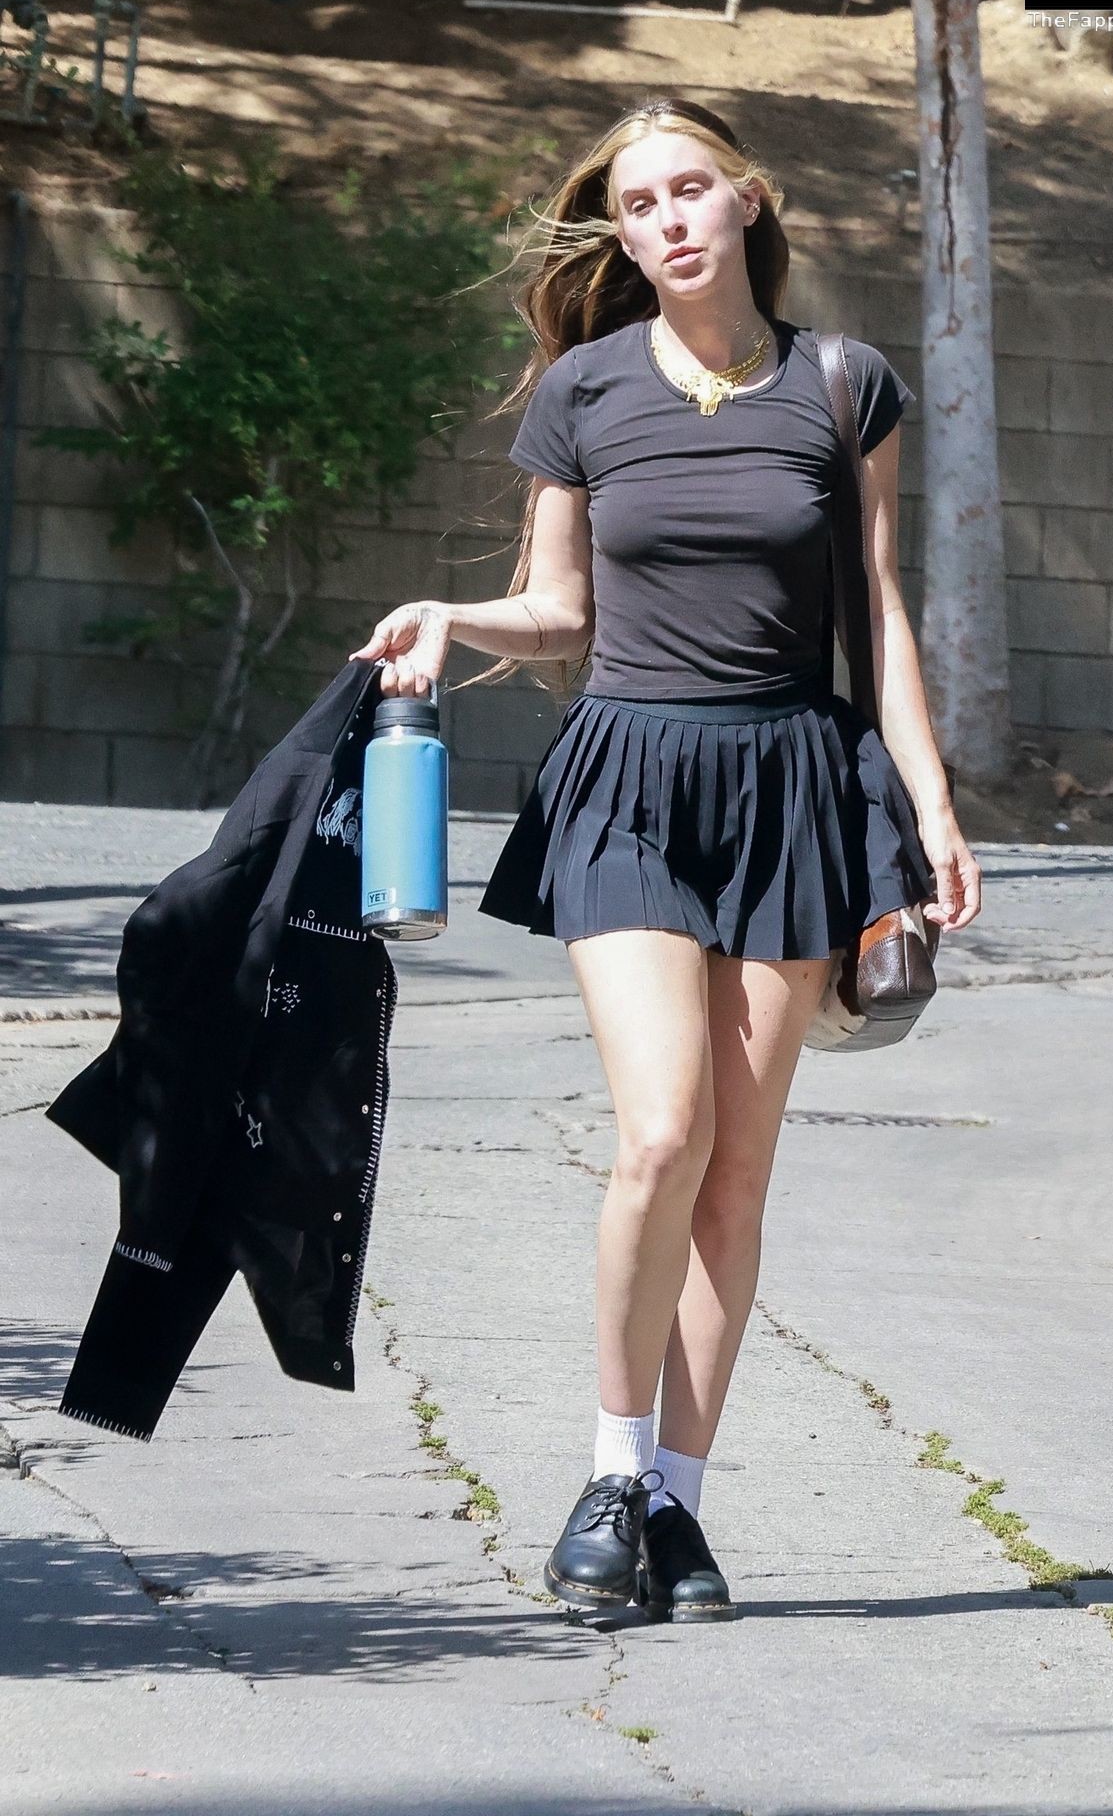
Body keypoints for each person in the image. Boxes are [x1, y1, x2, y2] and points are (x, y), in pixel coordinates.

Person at [350, 96, 982, 1626]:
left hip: (791, 788)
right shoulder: (584, 391)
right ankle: (611, 1474)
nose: (669, 221)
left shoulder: (843, 384)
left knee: (735, 1175)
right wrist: (450, 617)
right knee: (661, 1136)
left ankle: (679, 1509)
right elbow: (559, 608)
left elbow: (879, 613)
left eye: (691, 190)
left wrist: (932, 806)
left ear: (748, 199)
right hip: (628, 784)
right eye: (639, 206)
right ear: (623, 237)